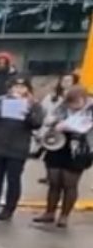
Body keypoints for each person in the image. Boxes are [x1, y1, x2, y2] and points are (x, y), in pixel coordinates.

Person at [0, 74, 44, 220]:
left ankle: (8, 209)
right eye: (15, 87)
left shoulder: (34, 104)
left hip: (18, 146)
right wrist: (8, 106)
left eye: (22, 87)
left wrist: (28, 111)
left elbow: (37, 123)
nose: (18, 89)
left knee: (13, 179)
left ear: (28, 89)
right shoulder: (1, 100)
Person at [33, 86, 92, 228]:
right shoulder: (63, 107)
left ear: (84, 100)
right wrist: (54, 122)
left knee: (69, 183)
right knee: (54, 181)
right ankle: (49, 212)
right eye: (71, 103)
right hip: (57, 144)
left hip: (79, 149)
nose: (73, 106)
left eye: (77, 103)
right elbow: (50, 119)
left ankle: (64, 216)